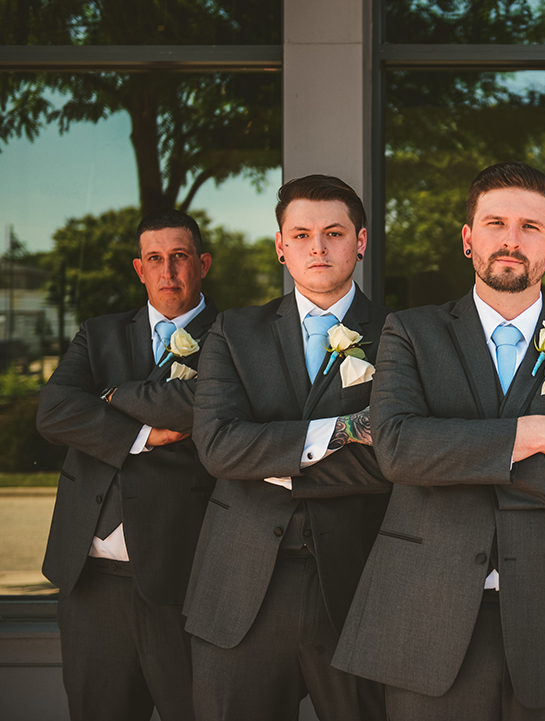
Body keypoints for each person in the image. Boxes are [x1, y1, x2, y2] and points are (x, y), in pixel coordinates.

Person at [332, 162, 545, 720]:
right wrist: (530, 434)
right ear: (468, 239)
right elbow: (398, 449)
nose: (511, 240)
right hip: (425, 617)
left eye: (530, 227)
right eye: (495, 222)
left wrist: (458, 456)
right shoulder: (410, 331)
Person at [185, 175, 390, 720]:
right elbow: (219, 447)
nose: (317, 247)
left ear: (361, 240)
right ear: (280, 245)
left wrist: (272, 462)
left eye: (333, 232)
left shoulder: (402, 334)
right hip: (240, 584)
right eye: (300, 234)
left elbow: (394, 458)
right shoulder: (233, 332)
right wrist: (343, 430)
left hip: (357, 586)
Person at [36, 209, 217, 721]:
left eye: (180, 257)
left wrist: (108, 396)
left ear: (201, 263)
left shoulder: (233, 337)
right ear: (140, 269)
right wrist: (140, 434)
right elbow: (53, 413)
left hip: (178, 579)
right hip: (89, 584)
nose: (168, 272)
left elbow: (200, 408)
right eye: (155, 259)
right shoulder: (99, 334)